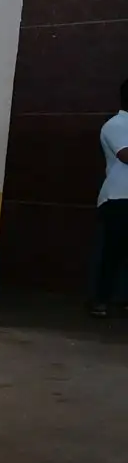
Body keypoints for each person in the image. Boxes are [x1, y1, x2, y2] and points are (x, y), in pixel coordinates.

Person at [91, 77, 128, 317]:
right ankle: (100, 300)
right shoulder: (117, 124)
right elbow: (125, 155)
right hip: (119, 198)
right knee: (113, 252)